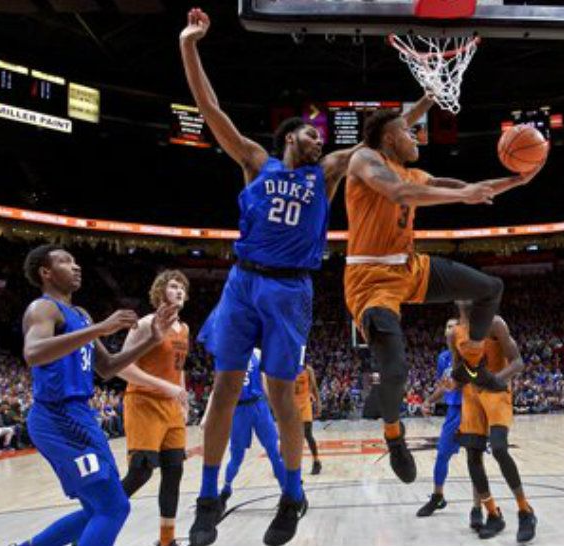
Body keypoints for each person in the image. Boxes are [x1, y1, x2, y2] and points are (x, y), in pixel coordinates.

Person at [179, 8, 433, 545]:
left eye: (322, 138)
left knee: (280, 396)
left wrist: (427, 99)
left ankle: (291, 493)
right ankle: (206, 498)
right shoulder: (255, 161)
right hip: (243, 282)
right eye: (312, 136)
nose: (320, 141)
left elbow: (388, 136)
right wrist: (189, 44)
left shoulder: (329, 173)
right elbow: (209, 108)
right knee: (222, 390)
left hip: (292, 287)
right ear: (291, 138)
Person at [344, 110, 545, 482]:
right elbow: (399, 193)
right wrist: (466, 193)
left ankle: (471, 365)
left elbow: (464, 188)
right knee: (395, 370)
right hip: (371, 280)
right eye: (408, 130)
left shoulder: (416, 175)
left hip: (411, 268)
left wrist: (516, 181)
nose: (415, 135)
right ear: (389, 139)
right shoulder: (365, 159)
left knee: (489, 288)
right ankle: (393, 436)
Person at [10, 244, 178, 546]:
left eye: (75, 261)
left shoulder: (81, 315)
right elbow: (33, 353)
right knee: (114, 507)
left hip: (83, 417)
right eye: (65, 262)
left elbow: (108, 367)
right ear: (46, 273)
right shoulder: (43, 308)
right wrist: (101, 328)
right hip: (56, 417)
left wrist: (151, 340)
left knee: (97, 509)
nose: (76, 266)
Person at [116, 270, 192, 546]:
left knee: (174, 472)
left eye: (182, 286)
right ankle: (94, 521)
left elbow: (178, 368)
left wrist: (181, 396)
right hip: (143, 402)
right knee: (141, 471)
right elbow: (122, 367)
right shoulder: (147, 323)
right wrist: (164, 387)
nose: (180, 290)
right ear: (161, 292)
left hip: (171, 407)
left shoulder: (183, 329)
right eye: (173, 286)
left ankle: (166, 541)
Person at [450, 302, 536, 542]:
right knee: (473, 456)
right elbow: (458, 370)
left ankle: (525, 511)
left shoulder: (495, 323)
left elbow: (517, 361)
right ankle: (492, 514)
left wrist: (495, 379)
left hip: (497, 390)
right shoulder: (454, 333)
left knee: (499, 448)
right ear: (455, 298)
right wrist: (445, 387)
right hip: (471, 396)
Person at [417, 318, 483, 530]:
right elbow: (444, 387)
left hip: (473, 410)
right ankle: (438, 496)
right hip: (454, 411)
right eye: (447, 325)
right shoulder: (443, 358)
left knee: (475, 460)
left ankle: (477, 508)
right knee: (442, 454)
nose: (451, 328)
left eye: (455, 325)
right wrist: (428, 401)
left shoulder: (470, 353)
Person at [221, 349, 287, 502]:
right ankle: (226, 487)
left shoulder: (257, 352)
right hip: (238, 410)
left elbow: (264, 382)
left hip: (259, 406)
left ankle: (285, 491)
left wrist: (276, 409)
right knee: (237, 457)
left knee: (274, 452)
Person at [294, 364, 322, 475]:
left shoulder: (308, 369)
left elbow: (314, 387)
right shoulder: (287, 366)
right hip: (292, 404)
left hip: (305, 404)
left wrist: (318, 403)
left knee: (307, 434)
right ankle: (289, 463)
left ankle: (316, 461)